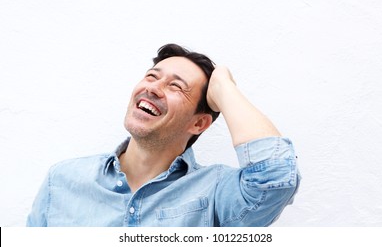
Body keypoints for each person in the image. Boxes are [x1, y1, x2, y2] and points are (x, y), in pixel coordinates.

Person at [27, 44, 301, 227]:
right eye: (151, 76)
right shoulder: (62, 180)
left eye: (176, 86)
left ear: (199, 123)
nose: (154, 88)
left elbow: (275, 177)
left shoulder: (215, 192)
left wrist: (224, 87)